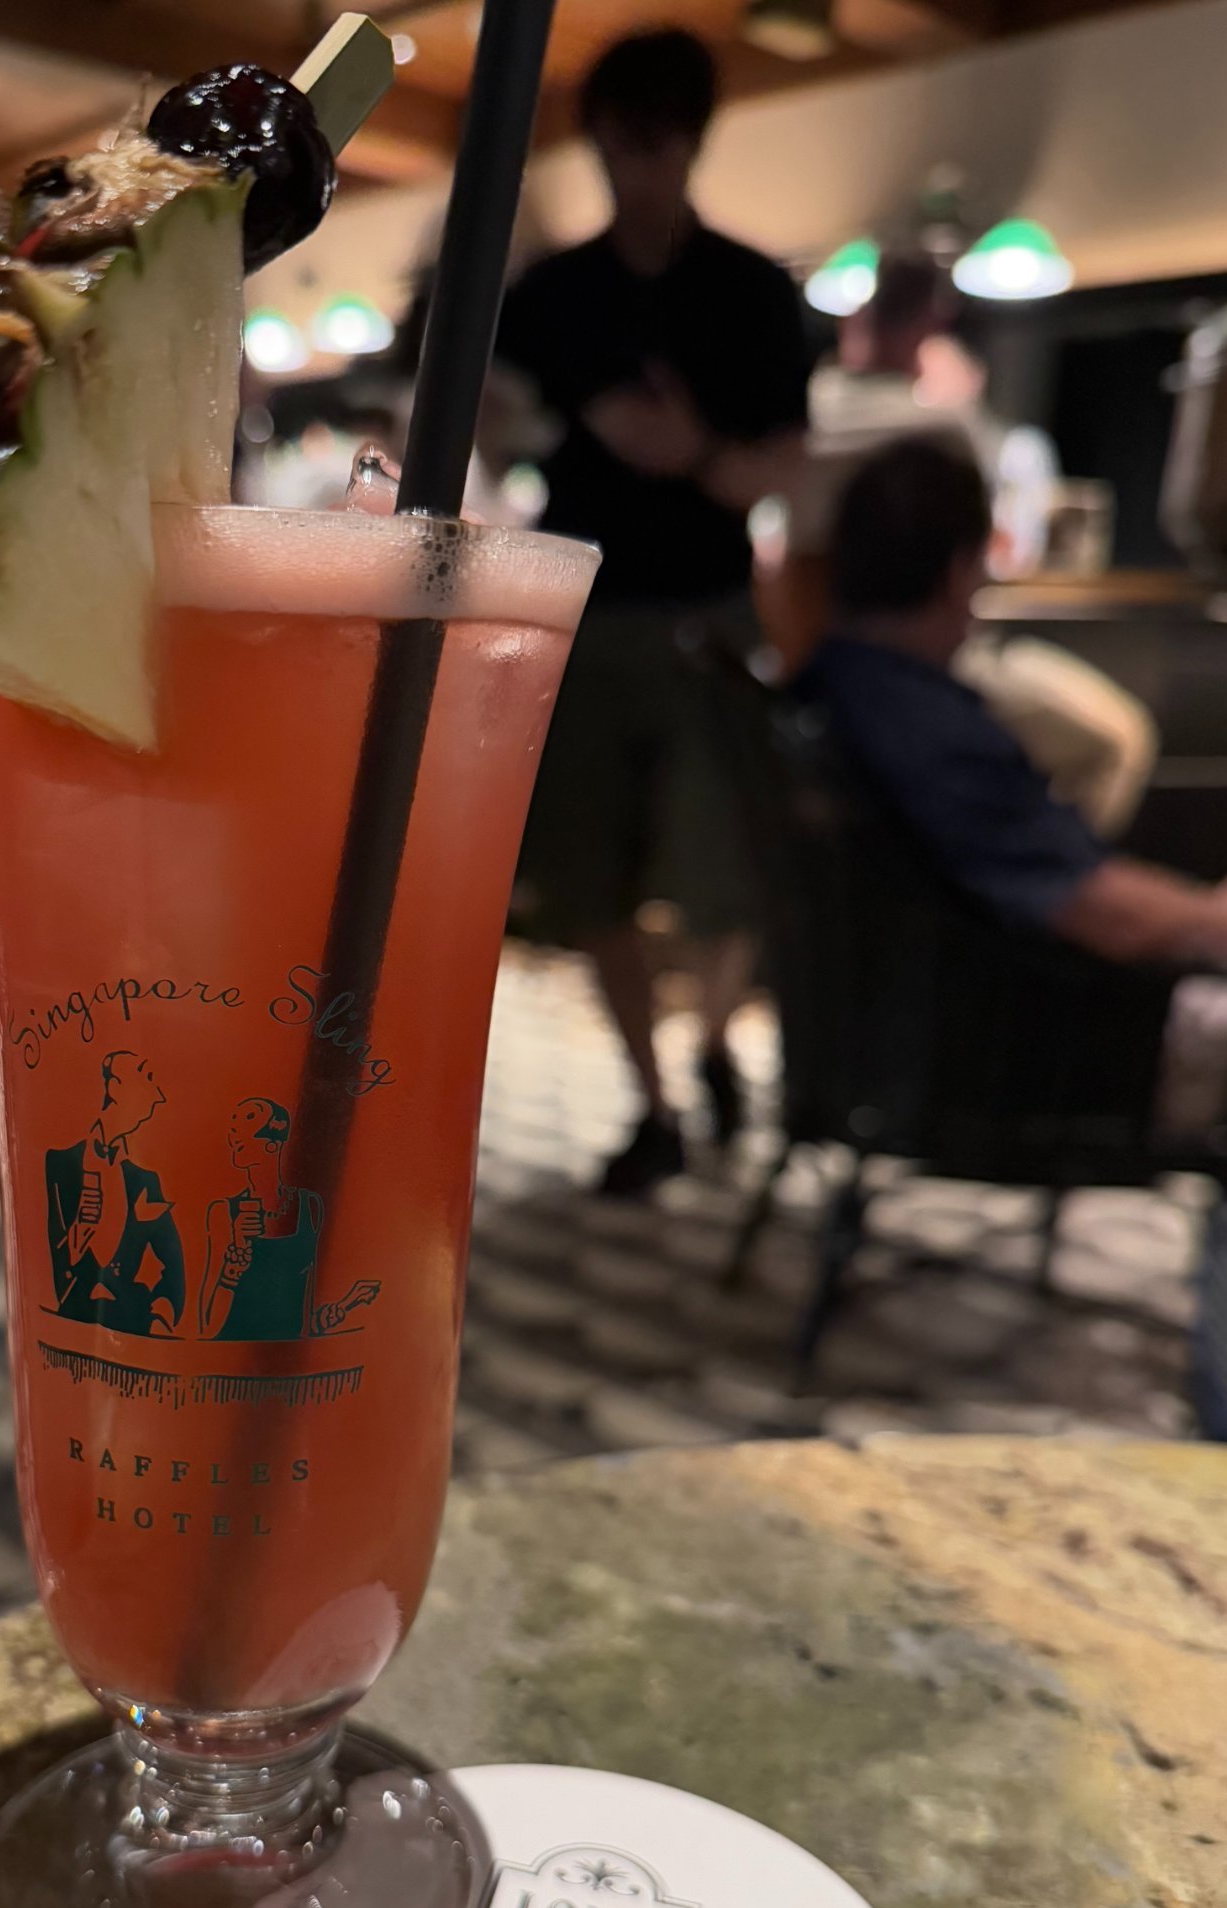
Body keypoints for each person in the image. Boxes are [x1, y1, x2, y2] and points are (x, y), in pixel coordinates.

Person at [493, 27, 810, 1190]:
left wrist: (693, 453)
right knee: (589, 874)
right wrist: (530, 422)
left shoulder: (752, 292)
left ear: (692, 143)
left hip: (713, 612)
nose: (639, 168)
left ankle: (716, 1043)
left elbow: (783, 467)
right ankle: (654, 1103)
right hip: (580, 611)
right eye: (622, 145)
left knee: (733, 870)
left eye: (658, 143)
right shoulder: (551, 296)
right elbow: (498, 431)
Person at [799, 439, 1227, 969]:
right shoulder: (932, 735)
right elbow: (1098, 908)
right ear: (959, 572)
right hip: (974, 999)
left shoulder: (821, 689)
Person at [774, 255, 1156, 836]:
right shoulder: (942, 428)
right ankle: (1041, 877)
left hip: (818, 666)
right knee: (1118, 739)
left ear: (852, 319)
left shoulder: (793, 420)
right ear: (933, 323)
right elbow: (992, 554)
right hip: (918, 664)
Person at [199, 1097, 379, 1340]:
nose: (234, 1133)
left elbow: (305, 1319)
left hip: (285, 1357)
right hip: (226, 1359)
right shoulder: (222, 1212)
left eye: (248, 1120)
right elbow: (208, 1326)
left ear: (273, 1144)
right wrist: (235, 1257)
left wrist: (348, 1303)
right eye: (234, 1125)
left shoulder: (310, 1207)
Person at [45, 1050, 185, 1332]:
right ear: (114, 1087)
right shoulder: (59, 1163)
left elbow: (171, 1261)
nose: (158, 1096)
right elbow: (49, 1246)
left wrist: (163, 1314)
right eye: (145, 1078)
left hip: (133, 1321)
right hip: (73, 1318)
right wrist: (80, 1233)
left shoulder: (146, 1181)